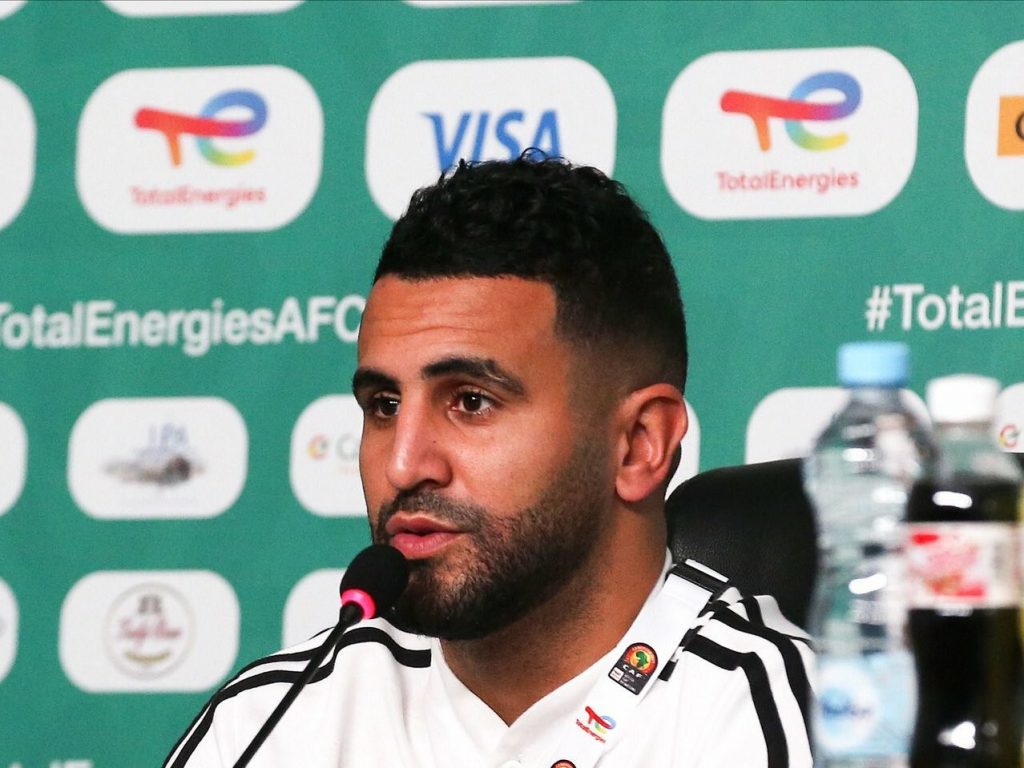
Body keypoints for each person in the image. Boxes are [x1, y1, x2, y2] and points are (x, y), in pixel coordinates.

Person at [164, 155, 813, 768]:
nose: (403, 465)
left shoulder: (782, 721)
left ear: (639, 444)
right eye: (385, 405)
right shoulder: (268, 725)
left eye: (471, 401)